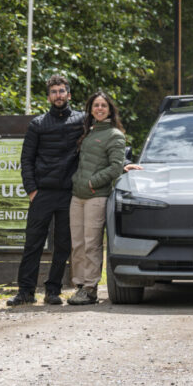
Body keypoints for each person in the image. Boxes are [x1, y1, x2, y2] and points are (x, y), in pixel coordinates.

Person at [8, 74, 85, 307]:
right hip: (42, 193)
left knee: (62, 245)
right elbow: (27, 159)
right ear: (49, 96)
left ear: (68, 94)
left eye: (62, 91)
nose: (58, 95)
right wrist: (32, 190)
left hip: (68, 193)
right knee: (33, 243)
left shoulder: (82, 121)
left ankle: (53, 291)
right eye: (54, 92)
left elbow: (100, 146)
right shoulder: (38, 124)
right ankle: (25, 292)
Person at [67, 90, 127, 305]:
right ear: (90, 109)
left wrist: (93, 182)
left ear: (110, 109)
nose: (99, 109)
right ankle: (80, 286)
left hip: (96, 197)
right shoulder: (89, 132)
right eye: (96, 105)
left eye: (103, 105)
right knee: (78, 243)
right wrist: (79, 181)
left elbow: (115, 167)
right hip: (77, 196)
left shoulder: (115, 135)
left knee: (92, 244)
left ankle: (91, 288)